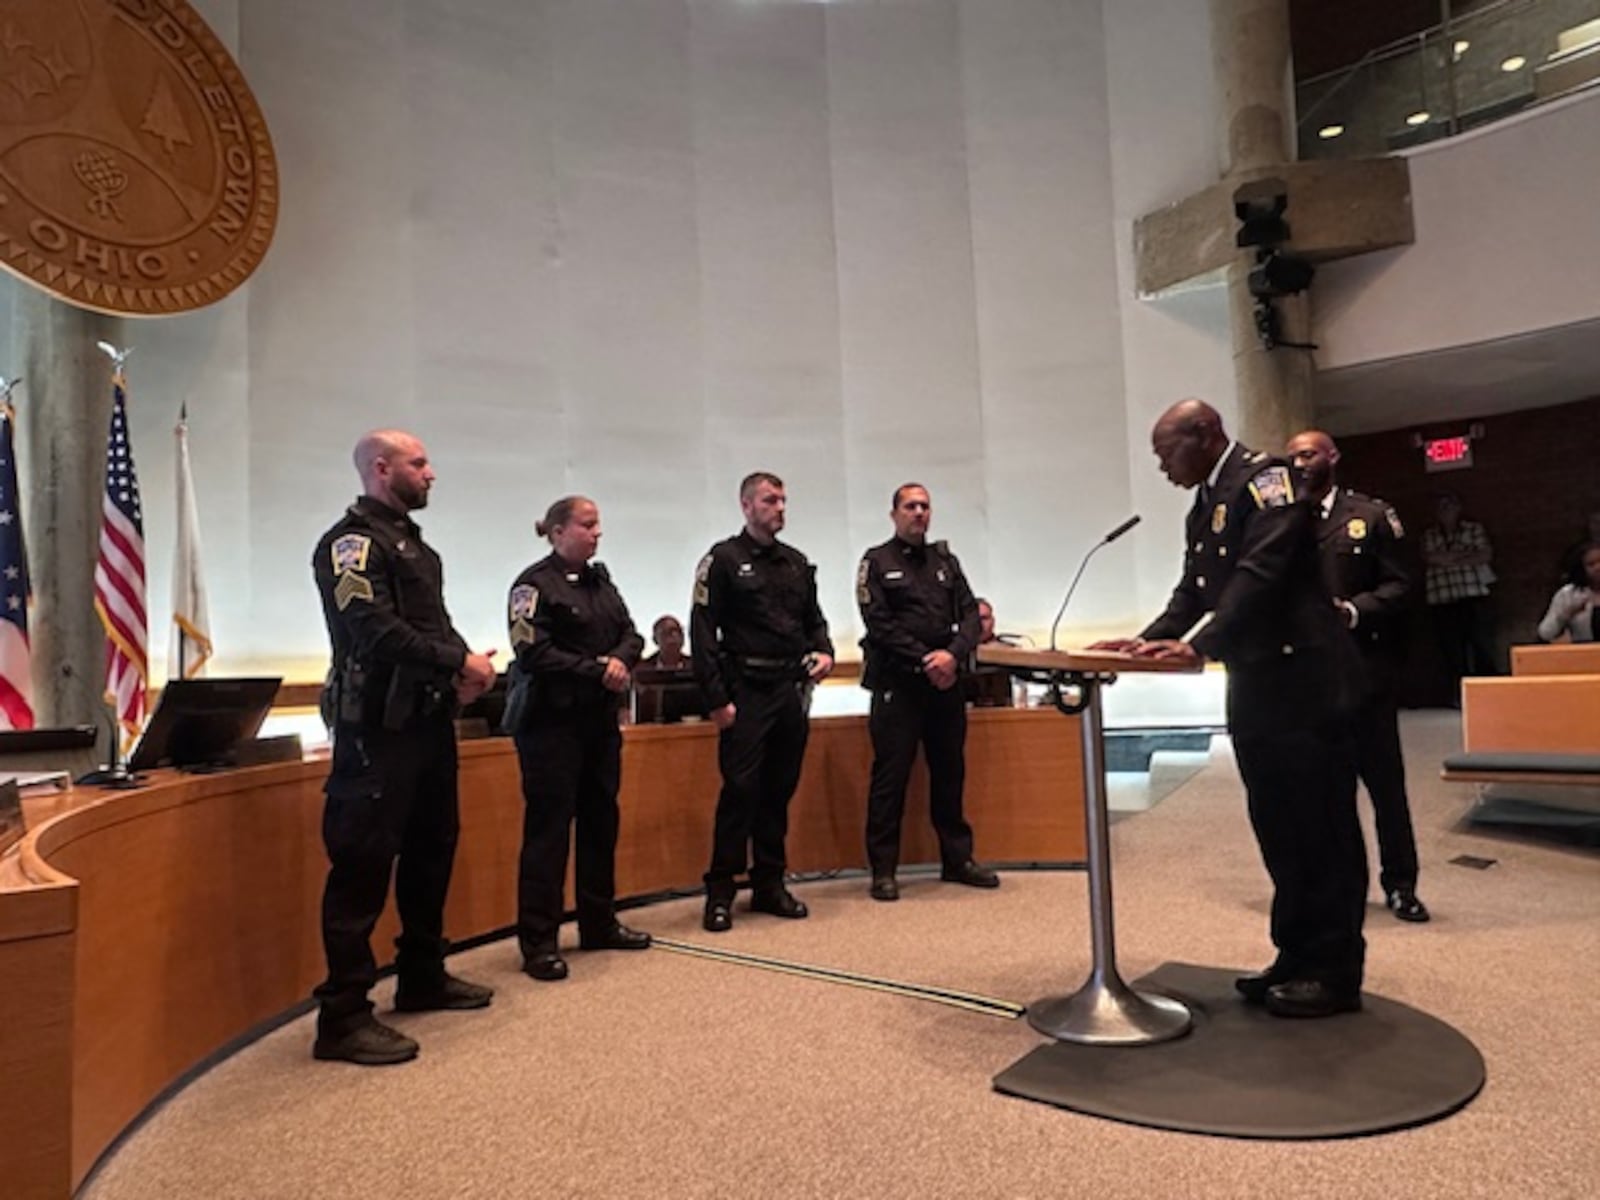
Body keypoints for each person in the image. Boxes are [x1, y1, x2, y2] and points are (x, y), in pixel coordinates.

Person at [1092, 399, 1366, 1019]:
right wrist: (1148, 638)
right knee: (1278, 826)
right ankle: (1295, 954)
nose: (1162, 466)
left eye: (1166, 452)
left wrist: (1198, 648)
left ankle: (1335, 970)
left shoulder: (1267, 481)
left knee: (1320, 827)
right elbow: (1195, 587)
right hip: (1259, 683)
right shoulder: (1208, 502)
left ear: (1205, 433)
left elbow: (1259, 574)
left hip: (1305, 680)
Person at [310, 429, 497, 1066]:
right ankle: (342, 1017)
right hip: (376, 732)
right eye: (419, 463)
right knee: (362, 867)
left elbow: (432, 627)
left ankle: (421, 975)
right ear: (381, 469)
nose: (431, 472)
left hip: (426, 723)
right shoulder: (351, 545)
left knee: (431, 852)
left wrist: (462, 671)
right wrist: (454, 658)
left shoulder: (416, 548)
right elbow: (370, 631)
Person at [1287, 430, 1429, 924]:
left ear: (1332, 458)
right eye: (1293, 456)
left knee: (1385, 786)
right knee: (1328, 791)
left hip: (1366, 670)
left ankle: (1402, 884)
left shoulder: (1369, 516)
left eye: (1308, 453)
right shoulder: (1285, 520)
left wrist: (1353, 611)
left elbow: (1402, 584)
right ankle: (1343, 888)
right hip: (1312, 679)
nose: (1299, 463)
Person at [507, 496, 650, 981]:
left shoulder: (600, 582)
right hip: (550, 725)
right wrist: (596, 669)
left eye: (598, 525)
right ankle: (539, 941)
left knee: (600, 823)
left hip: (598, 722)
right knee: (548, 832)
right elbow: (532, 652)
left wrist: (620, 662)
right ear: (558, 531)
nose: (597, 533)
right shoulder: (532, 585)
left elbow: (633, 635)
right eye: (588, 525)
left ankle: (598, 920)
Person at [692, 472, 834, 932]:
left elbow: (814, 620)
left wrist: (826, 651)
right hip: (745, 690)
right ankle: (720, 891)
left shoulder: (795, 563)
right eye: (770, 500)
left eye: (783, 500)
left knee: (778, 791)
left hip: (789, 690)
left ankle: (769, 883)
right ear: (746, 505)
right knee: (739, 793)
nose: (779, 508)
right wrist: (716, 699)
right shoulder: (722, 560)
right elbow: (703, 633)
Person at [857, 484, 998, 901]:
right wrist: (926, 660)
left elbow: (971, 614)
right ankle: (883, 870)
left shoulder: (945, 561)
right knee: (891, 779)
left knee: (949, 774)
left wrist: (952, 656)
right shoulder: (876, 561)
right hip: (898, 685)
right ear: (894, 513)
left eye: (924, 506)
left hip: (946, 684)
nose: (919, 513)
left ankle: (957, 860)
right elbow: (878, 623)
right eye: (910, 506)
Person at [1421, 492, 1499, 695]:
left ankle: (1490, 690)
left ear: (1459, 508)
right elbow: (1431, 558)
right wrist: (1466, 554)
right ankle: (1457, 693)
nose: (1446, 511)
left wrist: (1449, 558)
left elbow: (1484, 555)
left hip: (1473, 594)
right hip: (1442, 598)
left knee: (1481, 643)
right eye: (1442, 507)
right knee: (1451, 649)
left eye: (1450, 506)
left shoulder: (1473, 529)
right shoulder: (1430, 534)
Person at [1537, 542, 1600, 643]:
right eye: (1591, 564)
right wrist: (1565, 615)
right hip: (1584, 655)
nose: (1598, 568)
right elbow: (1545, 633)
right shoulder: (1568, 595)